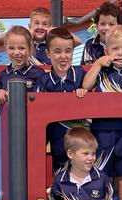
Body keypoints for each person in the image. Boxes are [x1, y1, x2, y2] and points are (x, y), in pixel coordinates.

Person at [82, 24, 122, 200]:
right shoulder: (102, 70)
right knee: (101, 170)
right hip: (101, 129)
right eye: (115, 49)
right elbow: (86, 85)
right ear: (106, 51)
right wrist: (98, 63)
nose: (120, 53)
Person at [36, 27, 88, 172]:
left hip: (82, 145)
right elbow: (36, 110)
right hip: (57, 142)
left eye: (68, 51)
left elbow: (93, 97)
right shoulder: (43, 81)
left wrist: (84, 90)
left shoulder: (80, 74)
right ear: (48, 53)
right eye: (57, 51)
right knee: (60, 180)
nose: (63, 56)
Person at [0, 25, 46, 105]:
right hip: (8, 116)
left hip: (31, 116)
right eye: (11, 48)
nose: (16, 53)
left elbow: (42, 100)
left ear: (29, 49)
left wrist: (16, 96)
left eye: (21, 48)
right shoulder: (3, 75)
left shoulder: (38, 73)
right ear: (6, 49)